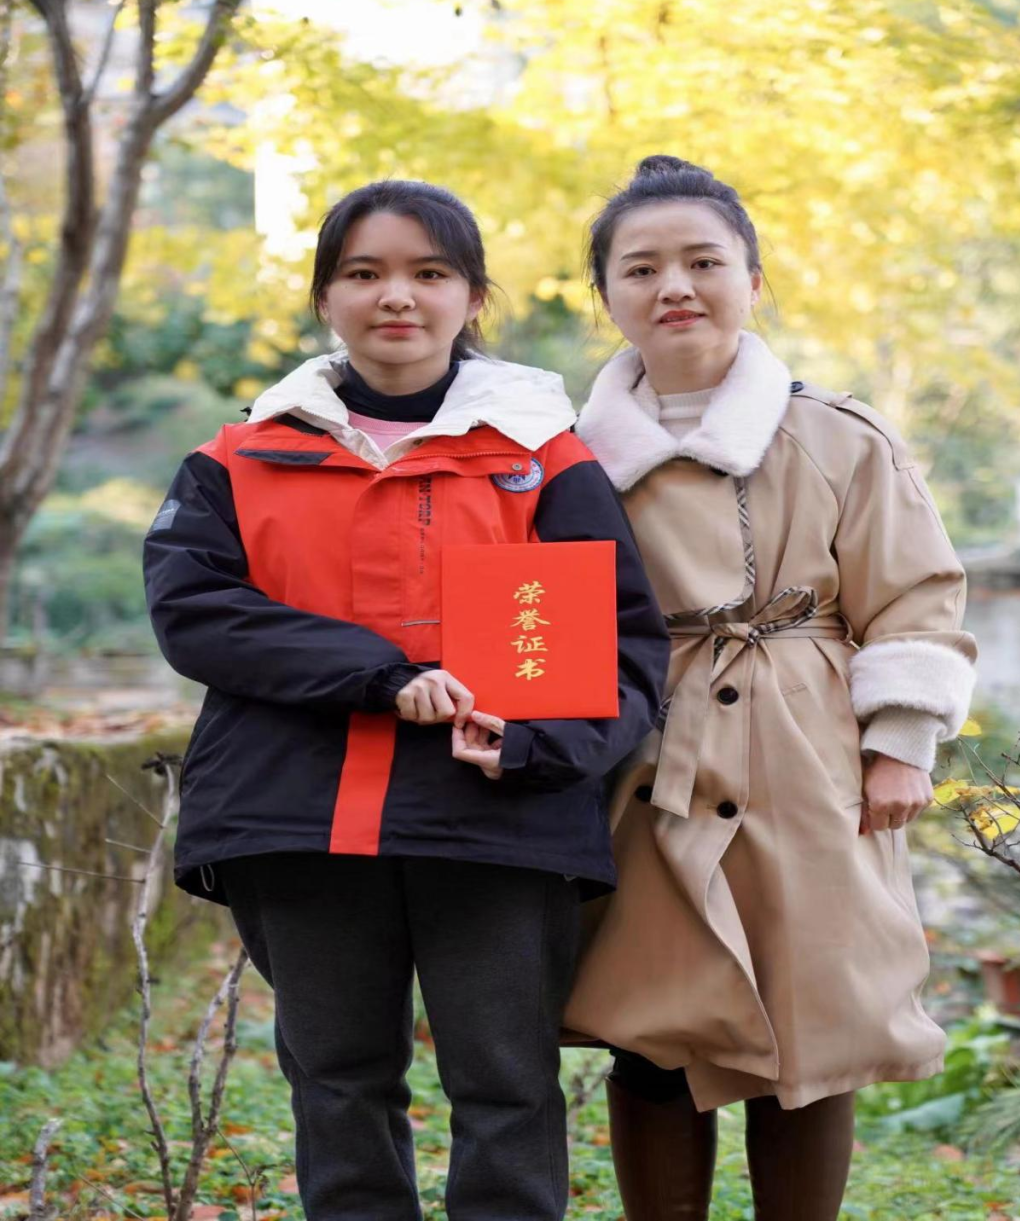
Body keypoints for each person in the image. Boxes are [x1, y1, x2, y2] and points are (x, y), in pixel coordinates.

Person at [143, 178, 669, 1221]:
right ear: (325, 297)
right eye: (364, 272)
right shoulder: (238, 457)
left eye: (430, 273)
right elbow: (196, 610)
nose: (398, 296)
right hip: (297, 819)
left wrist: (534, 741)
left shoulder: (542, 459)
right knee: (336, 1080)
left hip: (495, 821)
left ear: (472, 296)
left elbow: (621, 646)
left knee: (506, 1082)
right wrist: (379, 674)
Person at [565, 155, 978, 1221]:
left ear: (753, 279)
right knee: (655, 1020)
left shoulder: (839, 434)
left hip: (809, 758)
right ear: (605, 294)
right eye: (641, 268)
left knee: (816, 1021)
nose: (675, 287)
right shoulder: (563, 459)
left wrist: (900, 743)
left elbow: (916, 592)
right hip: (646, 755)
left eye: (704, 261)